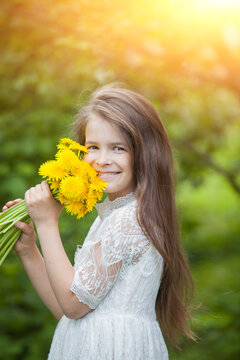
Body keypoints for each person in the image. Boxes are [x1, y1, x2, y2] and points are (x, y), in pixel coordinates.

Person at [3, 84, 195, 359]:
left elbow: (72, 305)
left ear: (145, 152)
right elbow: (69, 312)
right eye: (93, 147)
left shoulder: (128, 220)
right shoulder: (112, 216)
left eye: (118, 148)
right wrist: (29, 250)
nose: (102, 160)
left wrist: (47, 224)